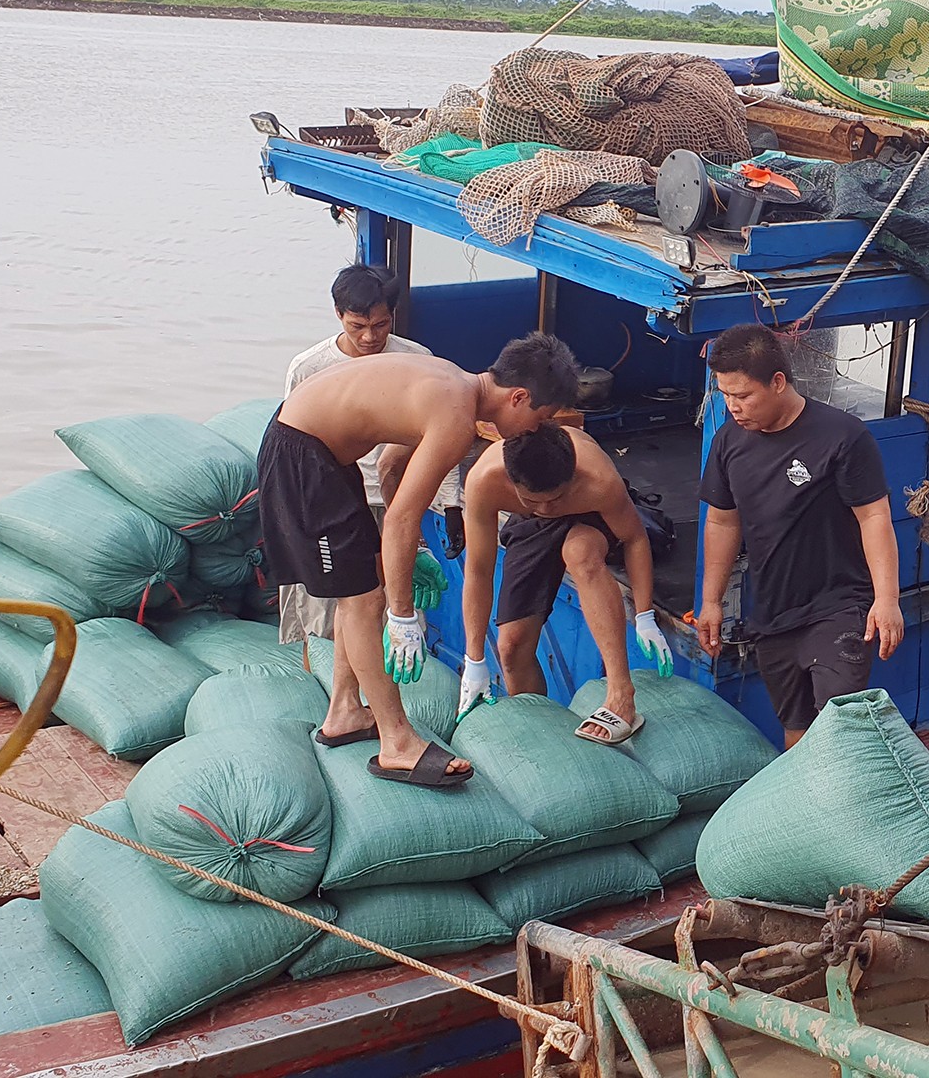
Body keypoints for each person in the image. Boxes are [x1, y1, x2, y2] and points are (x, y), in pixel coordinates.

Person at [258, 332, 580, 788]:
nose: (533, 431)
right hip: (301, 457)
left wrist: (414, 555)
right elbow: (404, 518)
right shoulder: (455, 417)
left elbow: (390, 466)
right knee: (364, 601)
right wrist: (402, 613)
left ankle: (345, 710)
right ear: (519, 397)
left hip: (325, 457)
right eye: (539, 418)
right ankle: (396, 742)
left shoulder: (453, 382)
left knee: (367, 582)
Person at [694, 324, 903, 748]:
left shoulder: (843, 436)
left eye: (743, 395)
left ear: (777, 382)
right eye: (725, 395)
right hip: (773, 613)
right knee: (797, 733)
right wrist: (711, 602)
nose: (733, 406)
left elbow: (874, 517)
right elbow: (722, 522)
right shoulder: (728, 442)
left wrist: (887, 600)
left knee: (839, 729)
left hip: (839, 606)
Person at [454, 425, 673, 741]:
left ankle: (621, 694)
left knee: (579, 552)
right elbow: (477, 571)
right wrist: (474, 659)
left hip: (589, 519)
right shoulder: (484, 483)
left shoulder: (598, 480)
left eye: (554, 499)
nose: (546, 509)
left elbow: (634, 539)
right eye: (532, 500)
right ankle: (539, 730)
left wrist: (644, 615)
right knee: (511, 646)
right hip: (529, 528)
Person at [279, 264, 459, 646]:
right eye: (357, 326)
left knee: (397, 612)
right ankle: (332, 695)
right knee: (324, 616)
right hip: (330, 507)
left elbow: (441, 437)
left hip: (394, 505)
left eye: (380, 325)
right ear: (338, 315)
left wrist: (452, 505)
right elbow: (291, 447)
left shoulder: (417, 360)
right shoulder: (309, 368)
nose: (369, 337)